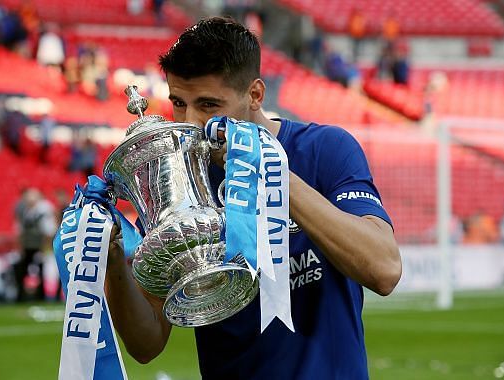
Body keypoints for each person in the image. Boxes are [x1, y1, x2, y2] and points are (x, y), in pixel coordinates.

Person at [105, 17, 401, 379]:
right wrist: (113, 259)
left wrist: (272, 173)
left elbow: (384, 270)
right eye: (179, 103)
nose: (191, 123)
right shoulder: (178, 180)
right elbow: (146, 344)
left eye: (209, 105)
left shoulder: (325, 149)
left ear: (255, 95)